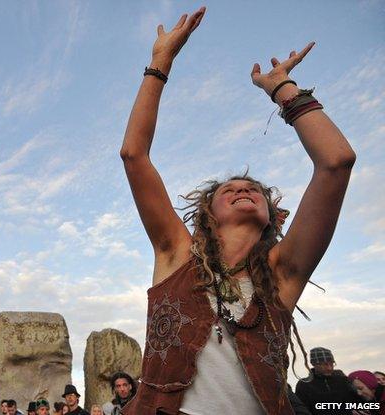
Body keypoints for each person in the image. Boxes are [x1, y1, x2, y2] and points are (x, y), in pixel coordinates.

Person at [119, 6, 356, 415]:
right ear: (207, 214)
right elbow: (134, 154)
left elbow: (336, 161)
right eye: (229, 189)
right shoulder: (176, 254)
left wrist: (282, 87)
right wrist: (160, 63)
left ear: (271, 216)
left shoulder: (284, 273)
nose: (243, 189)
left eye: (253, 190)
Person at [295, 347, 358, 414]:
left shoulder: (343, 380)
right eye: (325, 364)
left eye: (332, 364)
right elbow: (302, 411)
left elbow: (357, 401)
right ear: (314, 364)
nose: (329, 368)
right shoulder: (304, 384)